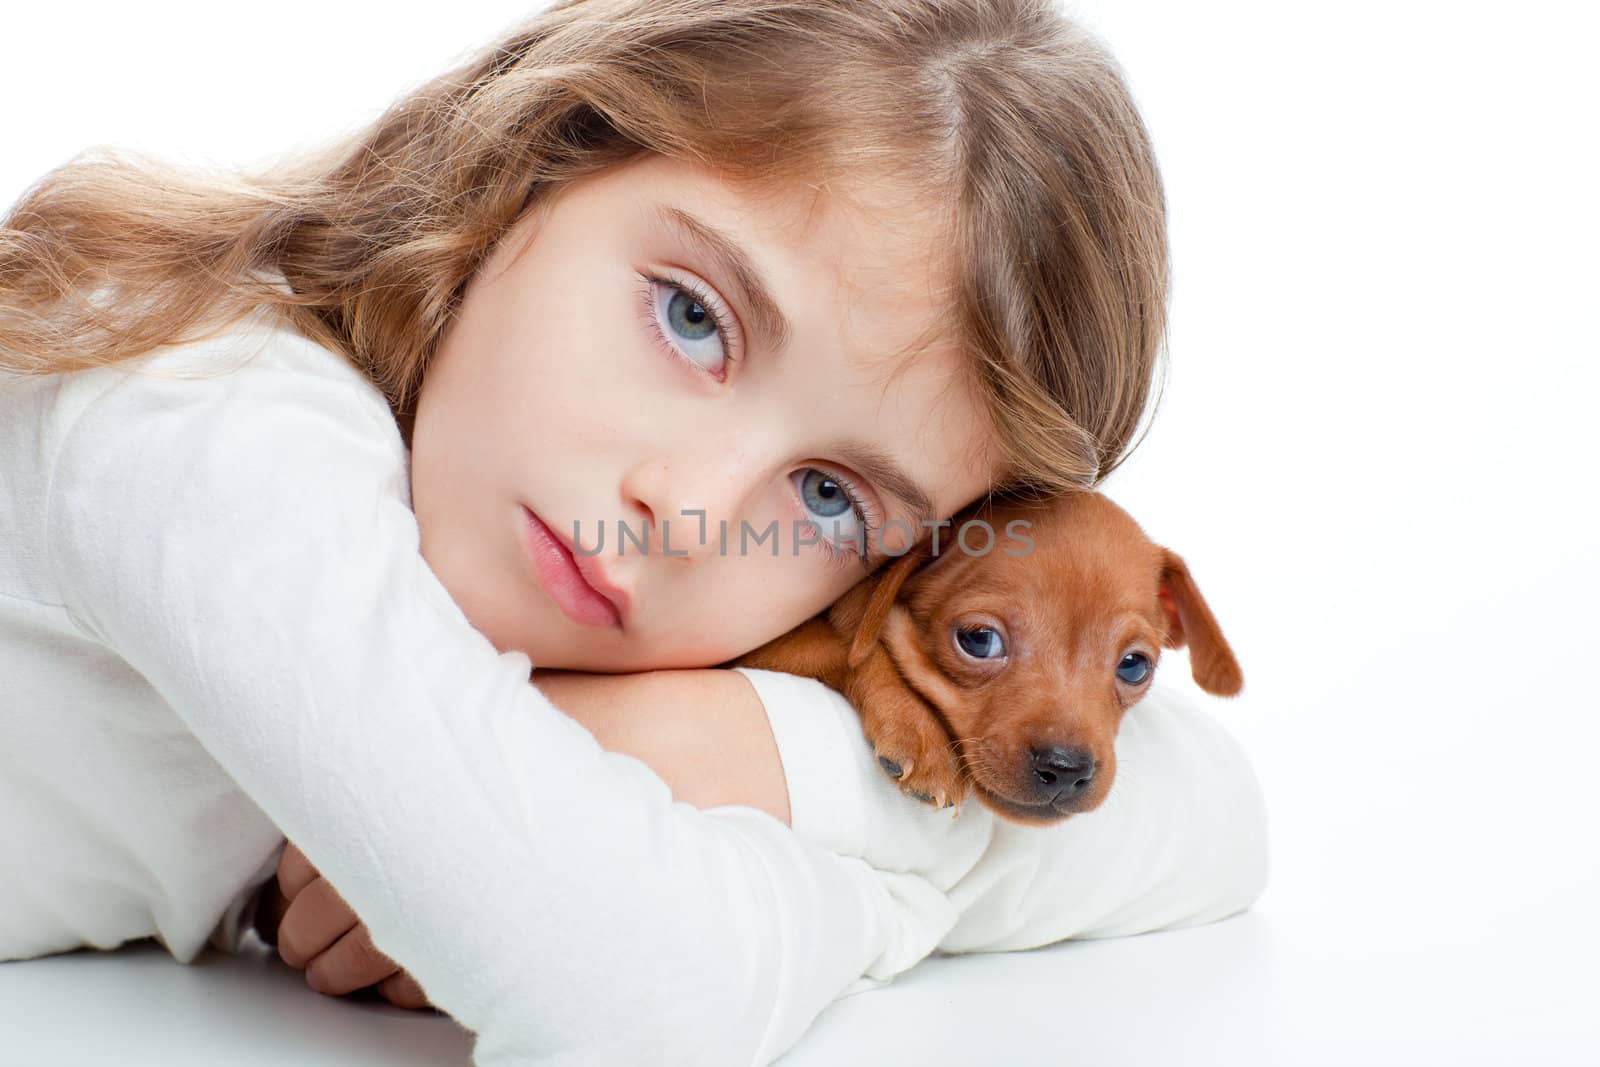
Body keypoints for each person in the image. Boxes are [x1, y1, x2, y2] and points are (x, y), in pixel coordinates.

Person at [0, 1, 1267, 1064]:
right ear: (533, 160)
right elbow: (626, 989)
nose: (694, 508)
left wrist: (723, 746)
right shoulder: (192, 413)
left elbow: (1215, 818)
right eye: (693, 318)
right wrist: (856, 855)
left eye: (831, 496)